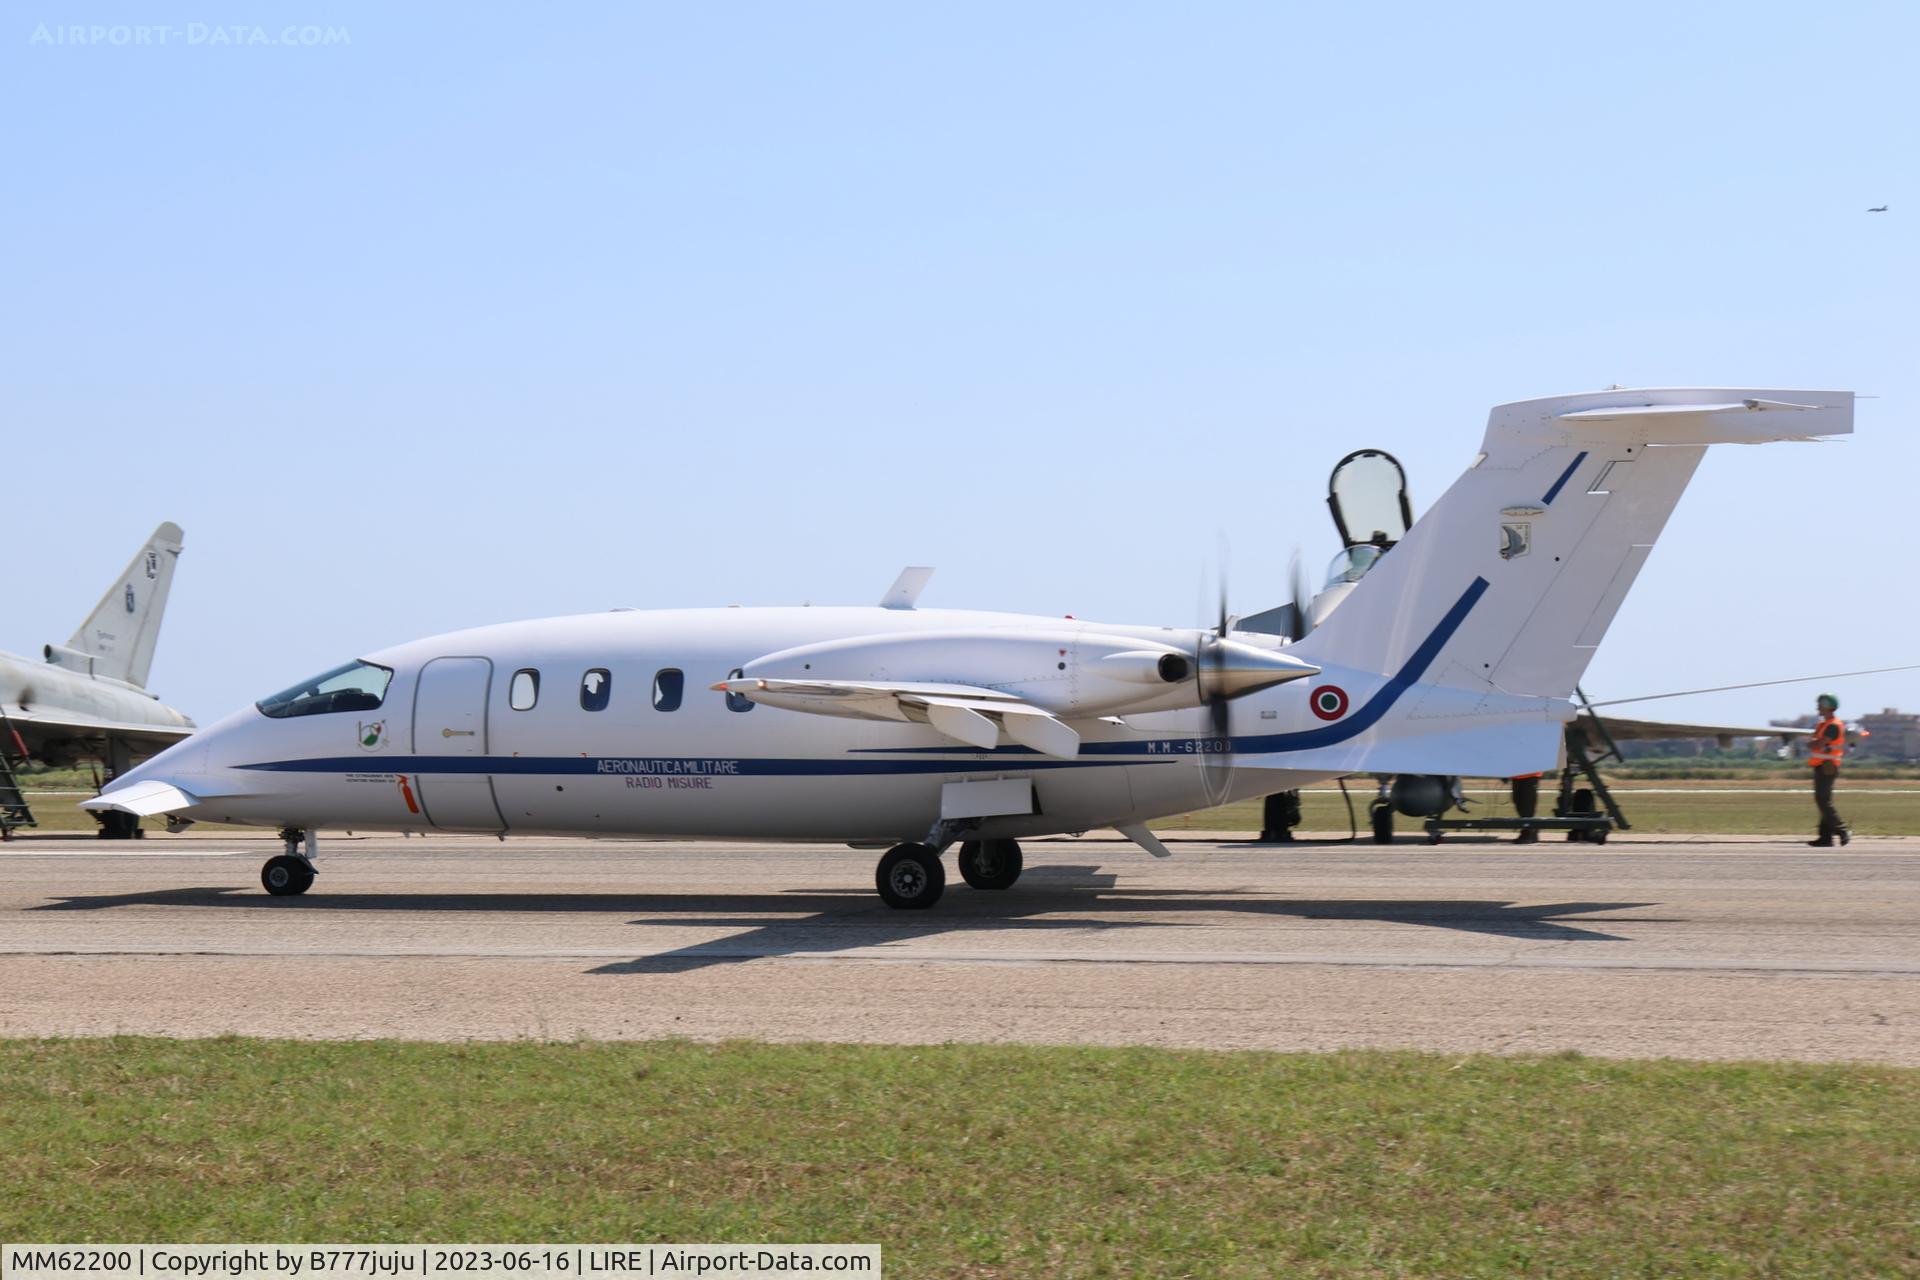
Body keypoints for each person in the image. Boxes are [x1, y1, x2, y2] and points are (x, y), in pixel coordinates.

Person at [1807, 693, 1851, 847]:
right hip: (1821, 765)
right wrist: (1814, 743)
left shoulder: (1833, 725)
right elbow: (1815, 743)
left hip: (1828, 766)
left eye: (1820, 705)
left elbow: (1816, 744)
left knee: (1823, 800)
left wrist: (1814, 743)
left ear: (1827, 706)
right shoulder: (1823, 724)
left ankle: (1842, 830)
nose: (1817, 707)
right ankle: (1825, 837)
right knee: (1824, 801)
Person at [1509, 772, 1543, 843]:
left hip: (1531, 775)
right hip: (1517, 775)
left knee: (1527, 804)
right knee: (1518, 802)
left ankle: (1530, 833)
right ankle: (1526, 831)